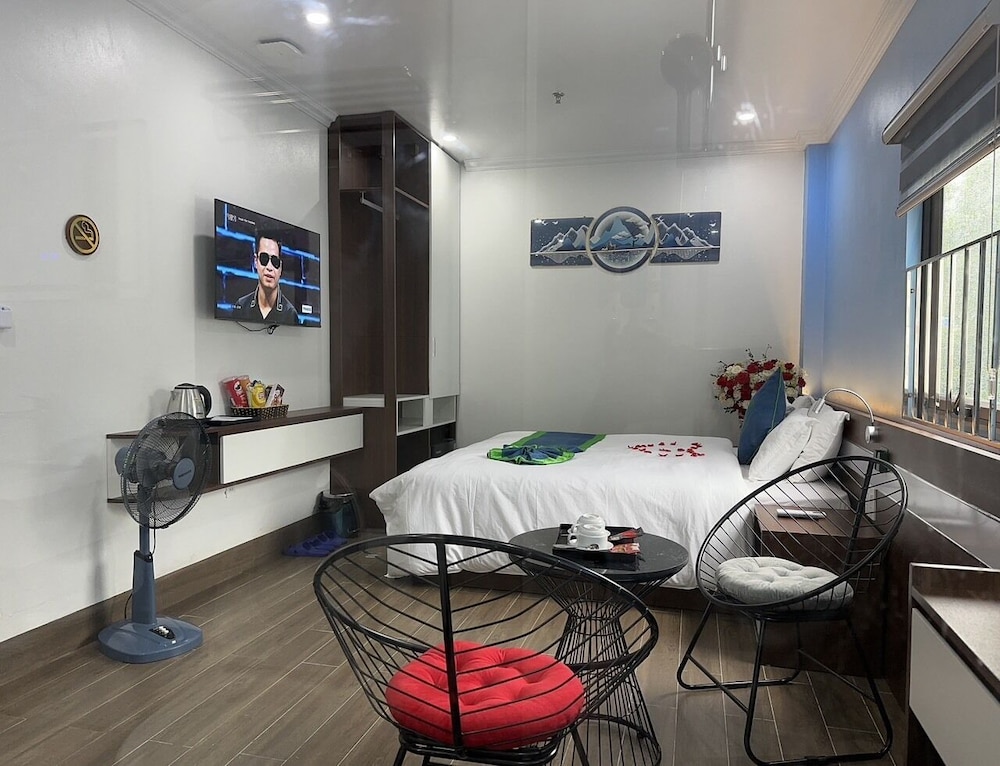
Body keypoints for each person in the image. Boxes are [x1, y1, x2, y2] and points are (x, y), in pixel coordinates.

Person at [232, 231, 300, 325]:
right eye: (264, 258)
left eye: (275, 261)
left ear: (280, 267)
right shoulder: (241, 306)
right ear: (255, 261)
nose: (269, 267)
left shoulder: (290, 314)